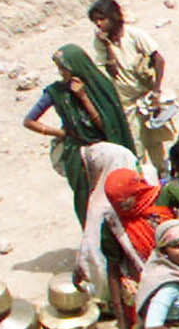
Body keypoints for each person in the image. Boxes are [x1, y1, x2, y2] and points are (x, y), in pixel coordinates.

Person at [28, 44, 134, 221]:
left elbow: (108, 127)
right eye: (59, 68)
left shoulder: (100, 87)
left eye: (64, 68)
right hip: (77, 153)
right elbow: (29, 121)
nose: (61, 72)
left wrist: (83, 97)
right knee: (87, 201)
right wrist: (60, 133)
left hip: (106, 148)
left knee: (117, 194)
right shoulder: (56, 92)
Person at [86, 0, 169, 176]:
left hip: (146, 98)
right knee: (135, 146)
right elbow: (112, 71)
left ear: (113, 16)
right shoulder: (101, 43)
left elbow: (158, 60)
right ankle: (143, 181)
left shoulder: (133, 35)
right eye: (95, 21)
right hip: (127, 104)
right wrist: (108, 47)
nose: (99, 24)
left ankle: (163, 175)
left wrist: (156, 92)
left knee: (155, 143)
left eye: (102, 19)